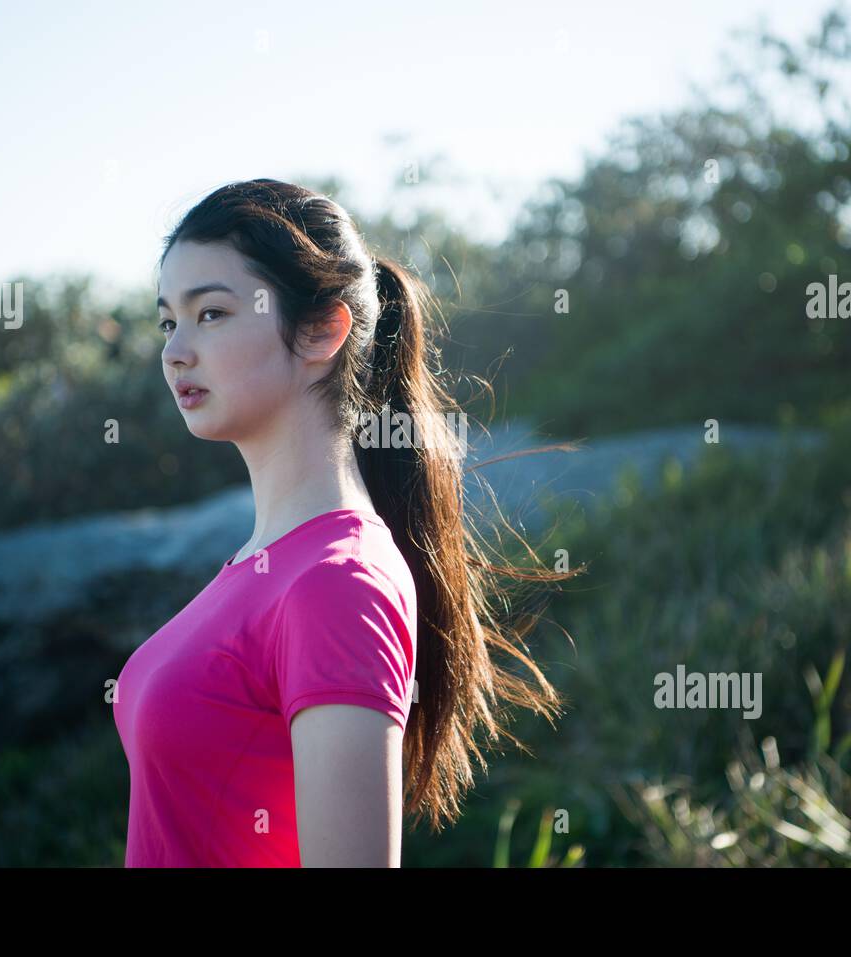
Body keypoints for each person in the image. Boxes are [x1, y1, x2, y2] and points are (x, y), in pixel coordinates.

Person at [113, 178, 576, 867]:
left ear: (322, 329)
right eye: (167, 321)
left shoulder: (339, 580)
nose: (175, 350)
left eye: (210, 313)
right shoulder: (266, 565)